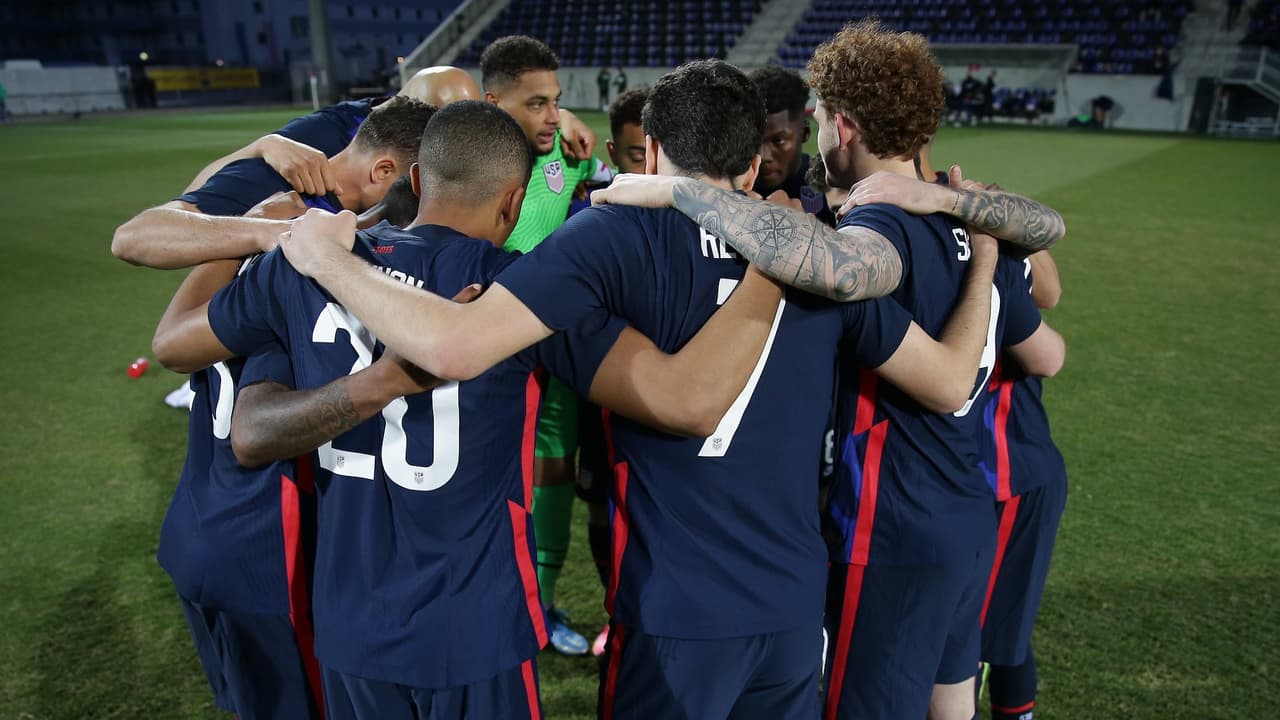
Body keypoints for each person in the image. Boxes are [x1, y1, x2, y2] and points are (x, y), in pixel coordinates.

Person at [274, 59, 1011, 720]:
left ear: (652, 152)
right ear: (754, 168)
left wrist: (329, 259)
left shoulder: (608, 234)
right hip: (791, 609)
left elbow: (456, 345)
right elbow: (949, 383)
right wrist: (978, 247)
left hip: (674, 616)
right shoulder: (812, 250)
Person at [149, 99, 787, 719]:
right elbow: (682, 398)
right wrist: (771, 269)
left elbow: (247, 430)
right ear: (514, 202)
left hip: (350, 626)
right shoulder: (525, 291)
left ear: (418, 178)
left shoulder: (303, 270)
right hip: (476, 626)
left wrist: (263, 220)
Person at [592, 22, 1066, 720]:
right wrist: (980, 239)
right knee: (952, 703)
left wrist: (677, 191)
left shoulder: (869, 234)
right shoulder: (966, 218)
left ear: (841, 126)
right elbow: (1049, 286)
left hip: (889, 522)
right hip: (968, 508)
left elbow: (935, 372)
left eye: (815, 119)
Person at [480, 34, 613, 655]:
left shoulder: (568, 155)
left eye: (557, 101)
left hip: (553, 351)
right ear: (491, 101)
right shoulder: (466, 162)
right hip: (484, 353)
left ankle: (546, 601)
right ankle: (490, 600)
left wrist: (563, 122)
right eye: (536, 103)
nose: (553, 115)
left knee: (553, 472)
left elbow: (614, 178)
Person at [747, 65, 834, 224]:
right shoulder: (729, 186)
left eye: (778, 141)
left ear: (804, 133)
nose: (763, 156)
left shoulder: (830, 185)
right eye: (754, 139)